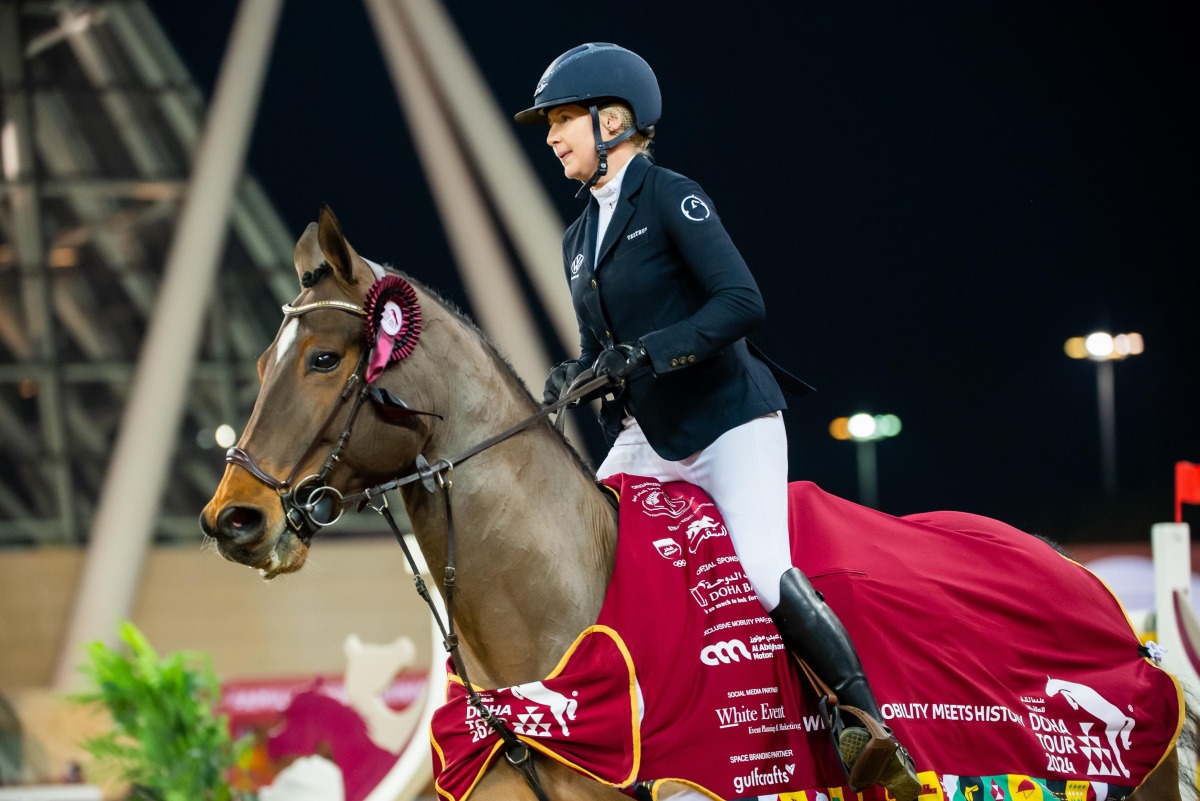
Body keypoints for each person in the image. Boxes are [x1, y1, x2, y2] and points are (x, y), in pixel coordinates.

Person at [514, 43, 921, 801]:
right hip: (647, 435)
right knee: (586, 552)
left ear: (613, 122)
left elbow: (741, 302)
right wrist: (576, 372)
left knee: (763, 567)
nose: (552, 137)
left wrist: (646, 352)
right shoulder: (576, 239)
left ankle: (866, 726)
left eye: (562, 120)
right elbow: (602, 347)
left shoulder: (672, 196)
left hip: (729, 420)